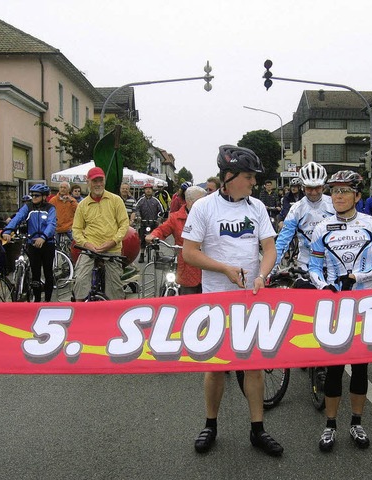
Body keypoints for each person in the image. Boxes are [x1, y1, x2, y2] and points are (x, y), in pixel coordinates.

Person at [182, 145, 282, 457]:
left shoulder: (257, 208)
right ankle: (210, 424)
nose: (254, 183)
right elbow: (189, 252)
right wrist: (224, 268)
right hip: (215, 301)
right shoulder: (204, 208)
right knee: (216, 367)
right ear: (229, 177)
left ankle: (258, 429)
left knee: (252, 367)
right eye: (249, 177)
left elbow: (269, 248)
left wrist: (262, 275)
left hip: (251, 299)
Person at [308, 170, 372, 453]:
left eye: (345, 191)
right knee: (332, 368)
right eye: (335, 191)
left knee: (359, 367)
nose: (339, 196)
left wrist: (358, 278)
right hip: (335, 306)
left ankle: (356, 422)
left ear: (357, 195)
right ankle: (330, 425)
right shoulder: (322, 228)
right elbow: (313, 267)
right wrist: (323, 287)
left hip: (364, 305)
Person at [72, 167, 130, 301]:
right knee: (80, 280)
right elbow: (76, 229)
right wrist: (87, 244)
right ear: (88, 182)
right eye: (94, 181)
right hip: (89, 249)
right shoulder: (83, 205)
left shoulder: (116, 200)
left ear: (104, 181)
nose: (98, 184)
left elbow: (124, 224)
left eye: (101, 180)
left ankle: (116, 314)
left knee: (115, 288)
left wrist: (113, 241)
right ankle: (80, 311)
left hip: (111, 249)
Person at [273, 162, 334, 275]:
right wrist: (270, 268)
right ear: (302, 187)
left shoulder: (334, 204)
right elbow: (283, 240)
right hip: (306, 264)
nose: (314, 192)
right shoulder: (296, 209)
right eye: (309, 188)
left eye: (317, 188)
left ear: (323, 186)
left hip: (333, 265)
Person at [145, 185, 207, 295]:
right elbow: (162, 229)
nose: (206, 204)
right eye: (201, 201)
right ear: (189, 201)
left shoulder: (209, 216)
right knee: (187, 300)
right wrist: (153, 235)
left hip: (208, 266)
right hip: (186, 267)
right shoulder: (176, 218)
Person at [2, 184, 57, 302]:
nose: (34, 198)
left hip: (47, 243)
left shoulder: (50, 208)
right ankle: (36, 301)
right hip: (32, 243)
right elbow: (18, 217)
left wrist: (43, 237)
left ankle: (47, 301)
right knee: (35, 273)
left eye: (37, 195)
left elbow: (51, 224)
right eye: (32, 195)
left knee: (48, 272)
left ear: (44, 197)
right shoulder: (28, 207)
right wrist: (7, 230)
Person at [134, 182, 164, 261]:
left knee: (156, 239)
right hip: (143, 222)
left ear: (152, 190)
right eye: (146, 189)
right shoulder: (141, 200)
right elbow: (136, 209)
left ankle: (157, 254)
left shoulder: (156, 200)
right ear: (144, 190)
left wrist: (158, 218)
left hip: (153, 223)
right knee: (142, 239)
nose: (148, 191)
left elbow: (161, 211)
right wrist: (138, 216)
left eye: (149, 189)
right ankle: (142, 254)